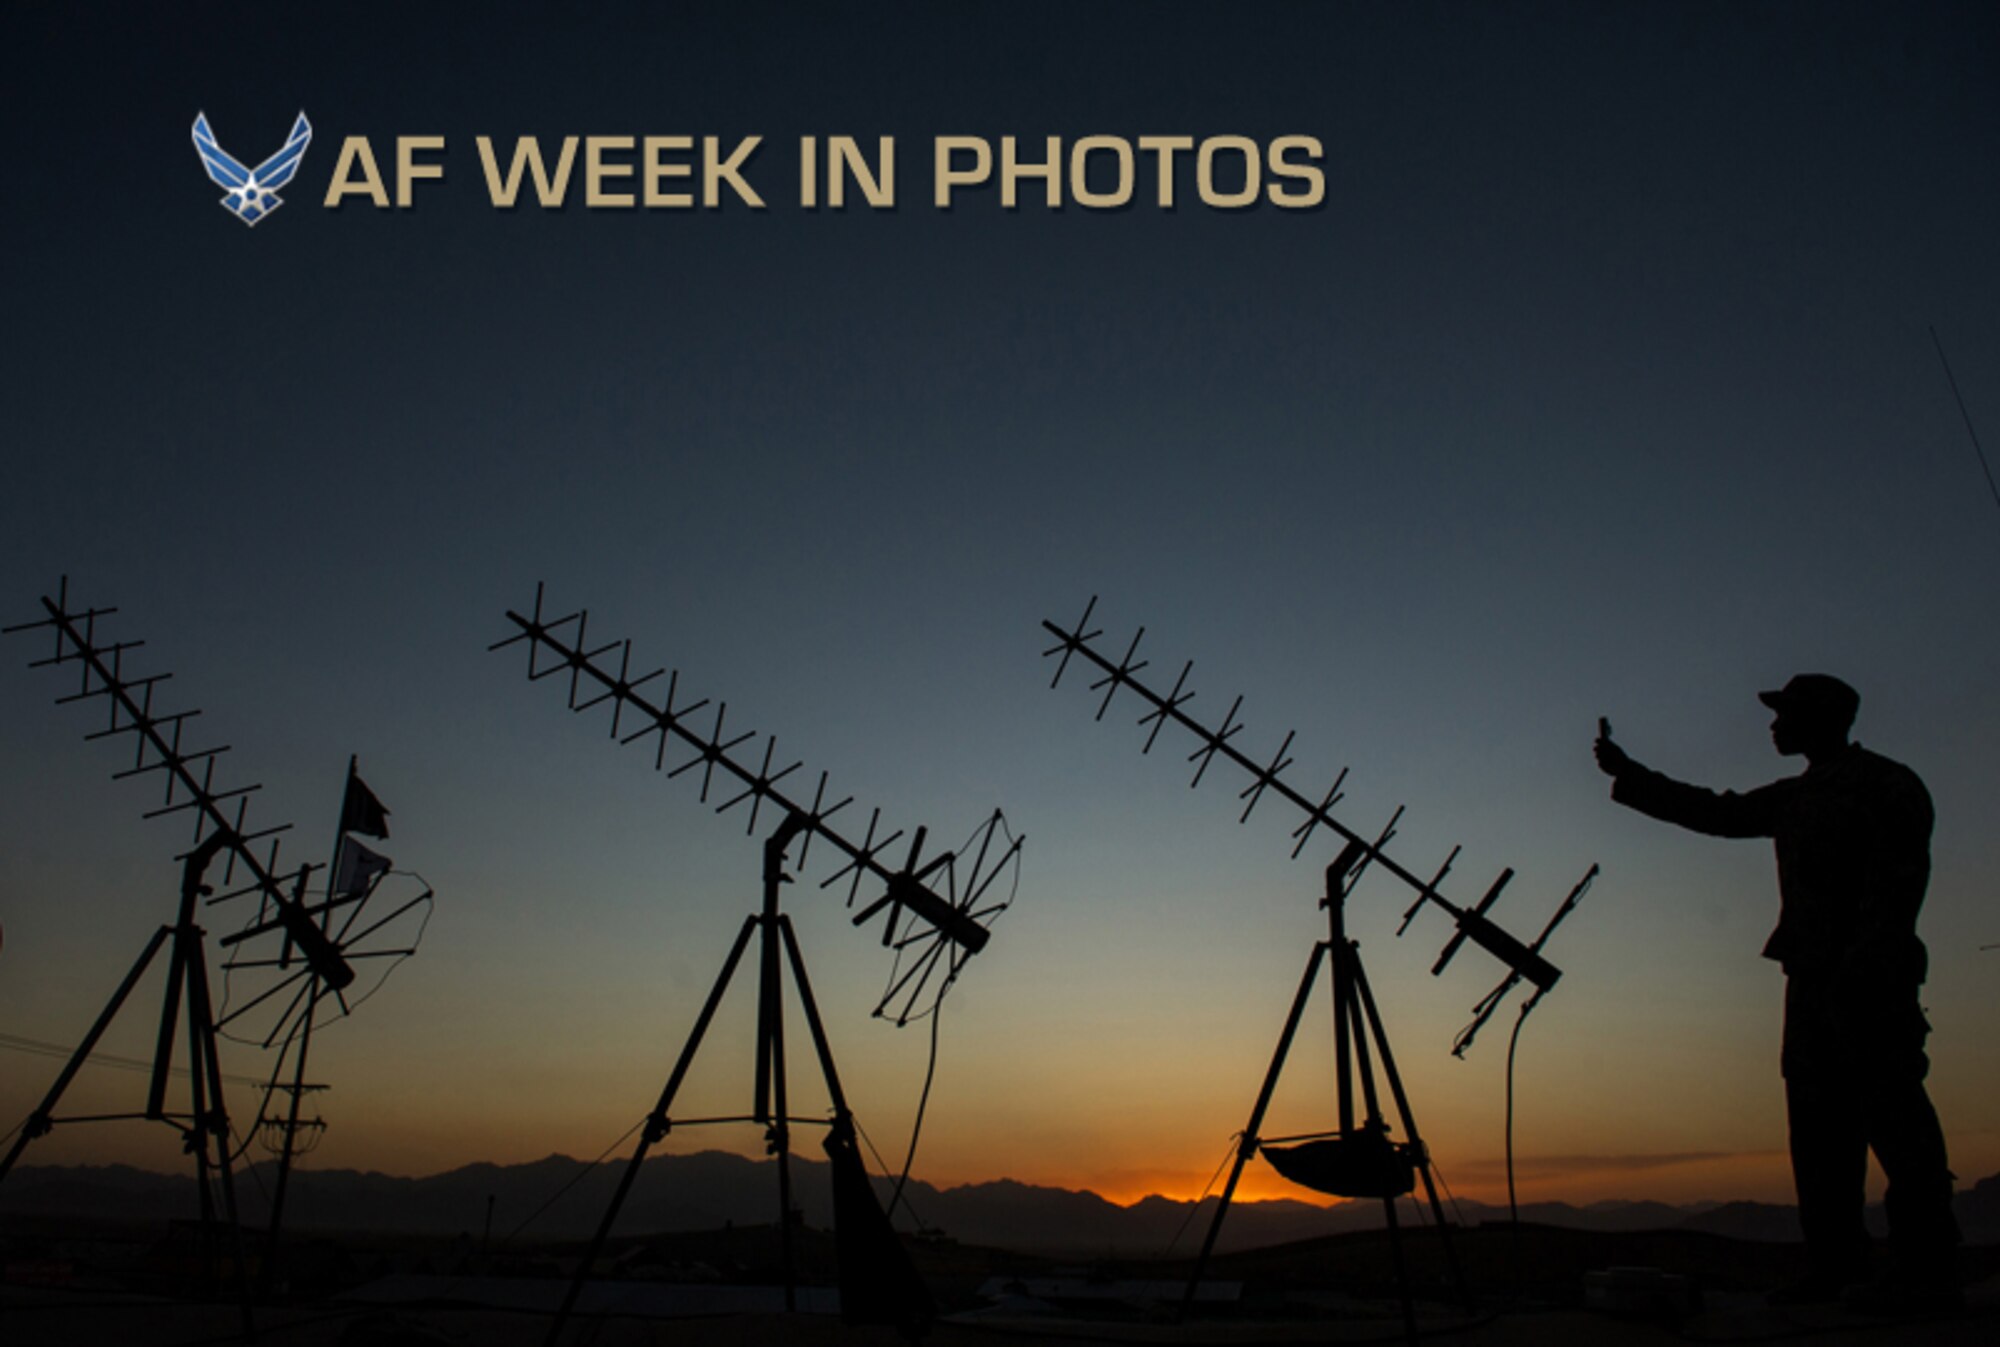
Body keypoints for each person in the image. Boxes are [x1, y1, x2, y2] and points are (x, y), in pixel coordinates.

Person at [1593, 675, 1959, 1313]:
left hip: (1869, 984)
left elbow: (1901, 883)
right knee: (1819, 1134)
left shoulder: (1884, 784)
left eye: (1783, 714)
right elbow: (1719, 813)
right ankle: (1836, 1266)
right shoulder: (1800, 795)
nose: (1772, 725)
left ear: (1817, 719)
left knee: (1897, 1126)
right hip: (1813, 981)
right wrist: (1631, 775)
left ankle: (1926, 1266)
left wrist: (1867, 964)